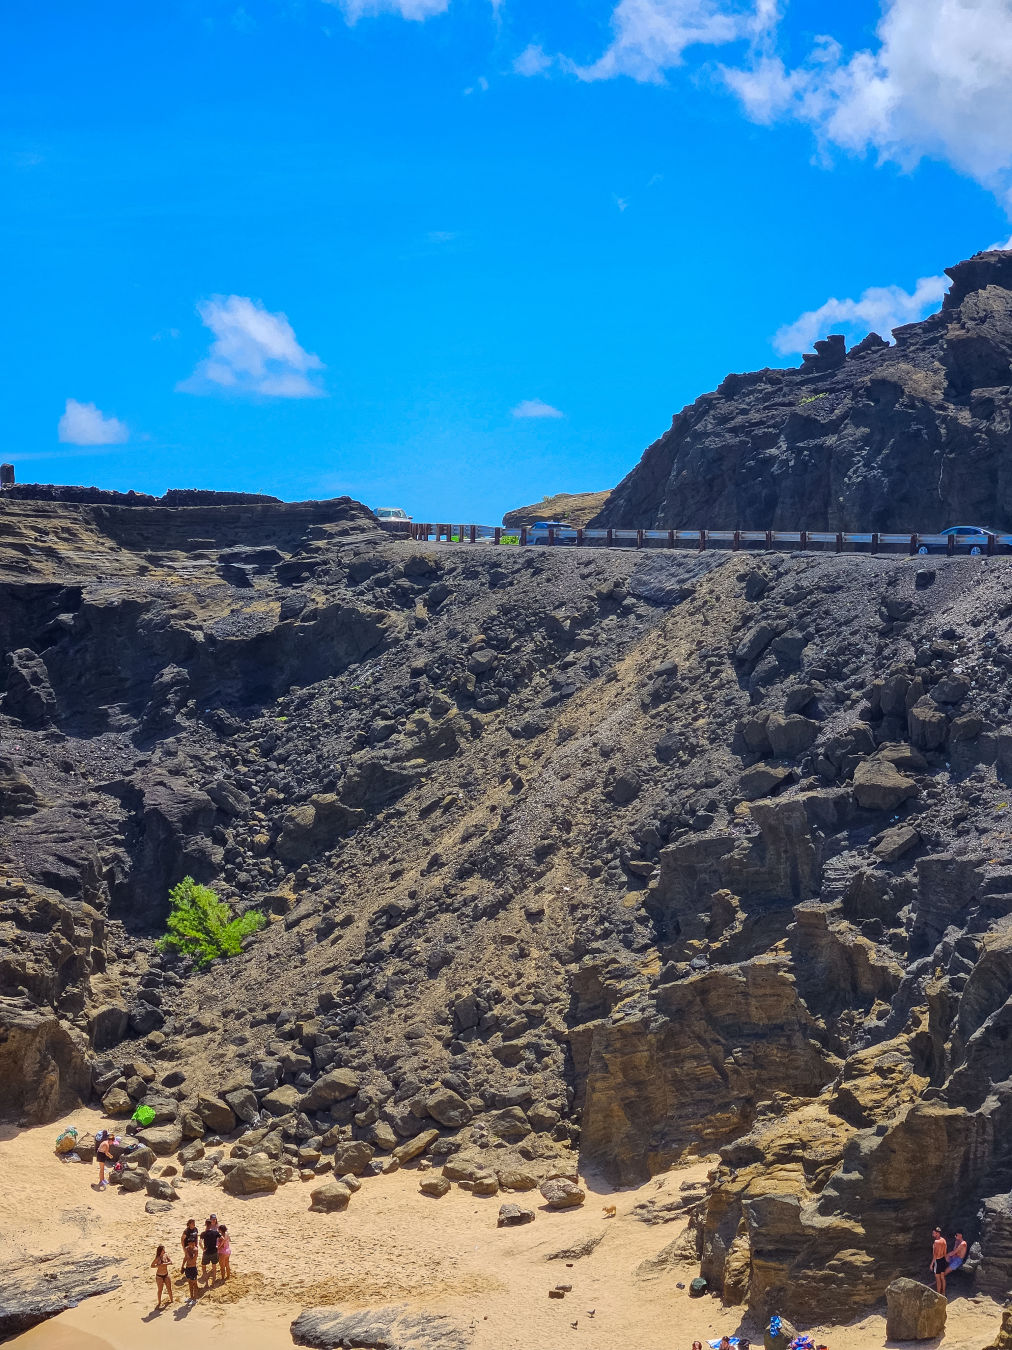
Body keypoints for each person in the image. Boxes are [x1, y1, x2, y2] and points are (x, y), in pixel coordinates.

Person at [200, 1215, 220, 1283]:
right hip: (214, 1250)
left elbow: (200, 1243)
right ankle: (213, 1281)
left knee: (203, 1266)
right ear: (211, 1223)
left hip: (206, 1251)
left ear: (205, 1225)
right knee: (214, 1266)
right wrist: (218, 1247)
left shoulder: (203, 1233)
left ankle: (206, 1282)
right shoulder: (215, 1232)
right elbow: (222, 1239)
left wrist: (203, 1249)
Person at [930, 1226, 949, 1295]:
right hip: (943, 1260)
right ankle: (943, 1292)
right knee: (942, 1278)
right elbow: (945, 1253)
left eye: (934, 1233)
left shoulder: (936, 1242)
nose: (932, 1234)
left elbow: (935, 1255)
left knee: (938, 1279)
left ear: (937, 1233)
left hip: (937, 1261)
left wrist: (932, 1264)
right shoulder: (944, 1240)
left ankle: (938, 1294)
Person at [182, 1234, 200, 1304]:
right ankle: (191, 1297)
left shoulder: (195, 1250)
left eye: (193, 1243)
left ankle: (195, 1299)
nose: (192, 1244)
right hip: (188, 1268)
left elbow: (193, 1260)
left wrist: (187, 1251)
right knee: (189, 1283)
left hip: (193, 1268)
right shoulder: (187, 1249)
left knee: (194, 1284)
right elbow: (185, 1258)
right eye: (191, 1243)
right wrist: (182, 1266)